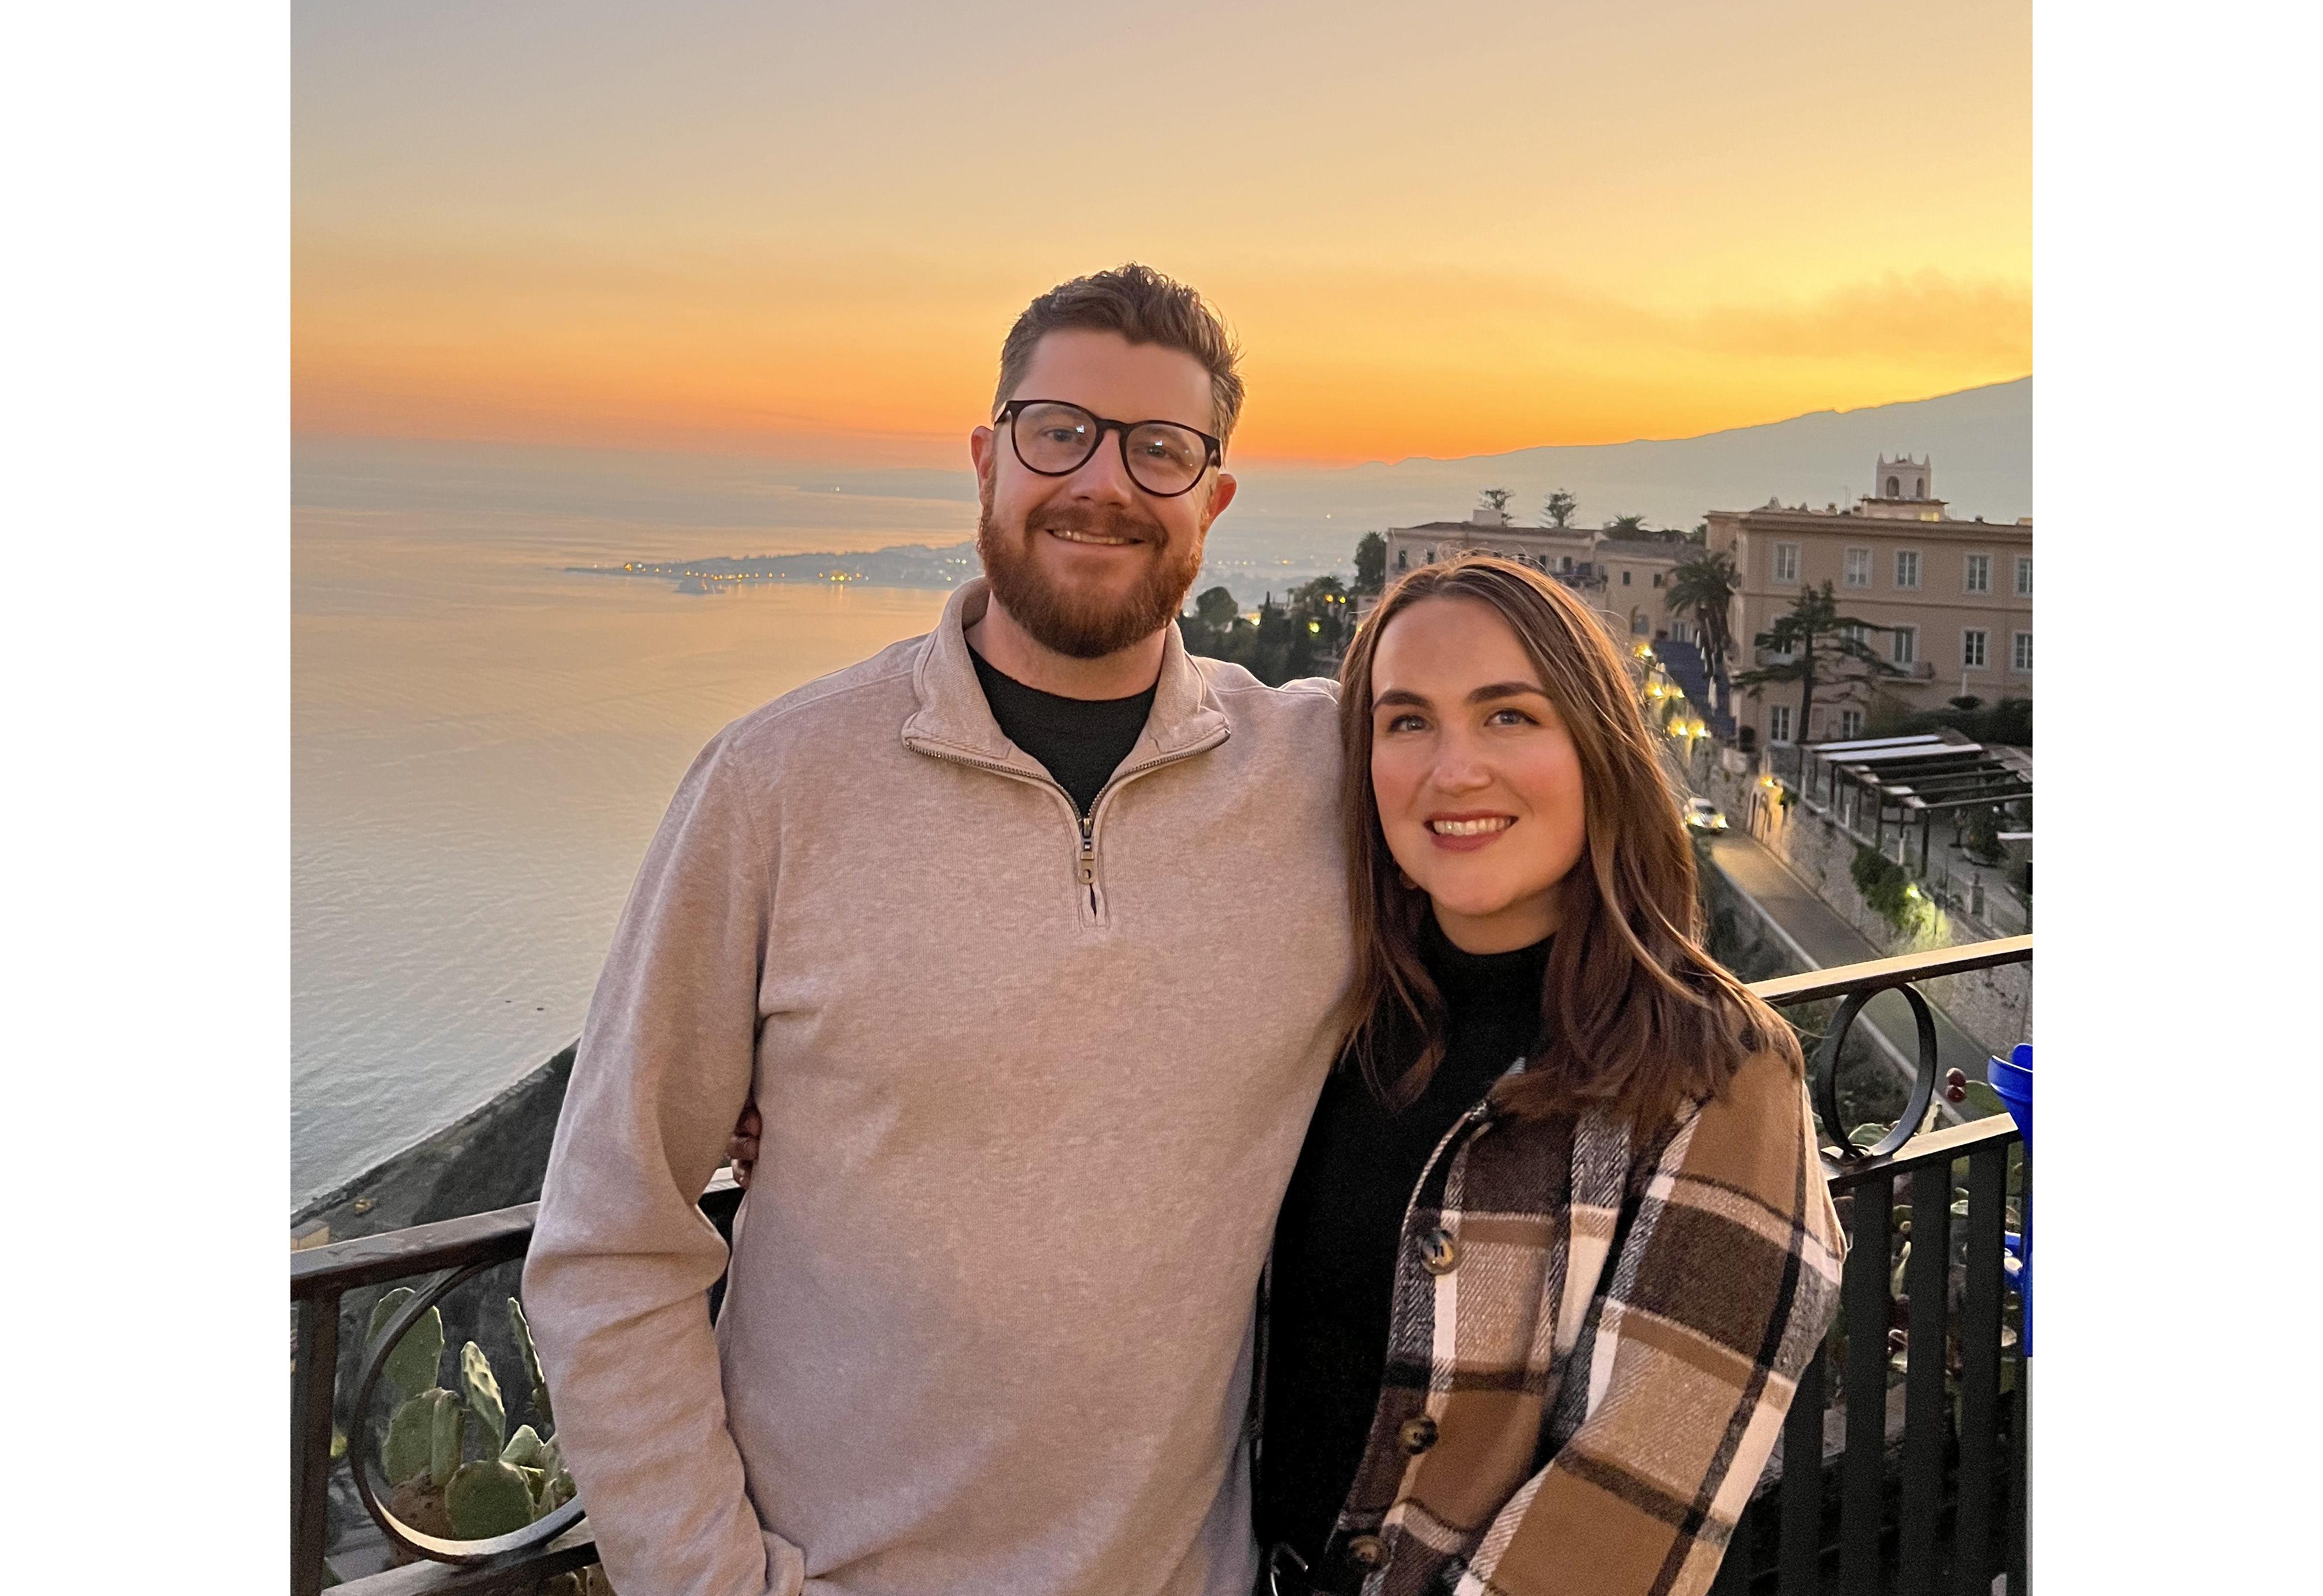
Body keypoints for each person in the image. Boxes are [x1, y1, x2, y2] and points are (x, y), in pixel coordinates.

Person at [524, 266, 1353, 1596]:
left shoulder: (1317, 777)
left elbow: (1551, 886)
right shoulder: (776, 786)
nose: (1104, 482)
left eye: (1161, 450)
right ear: (987, 458)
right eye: (1059, 431)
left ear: (1215, 498)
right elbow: (610, 1235)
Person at [1251, 555, 1845, 1595]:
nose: (1454, 770)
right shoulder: (1329, 1023)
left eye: (1509, 717)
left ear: (1597, 752)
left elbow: (1628, 1514)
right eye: (1407, 722)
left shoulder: (1720, 1076)